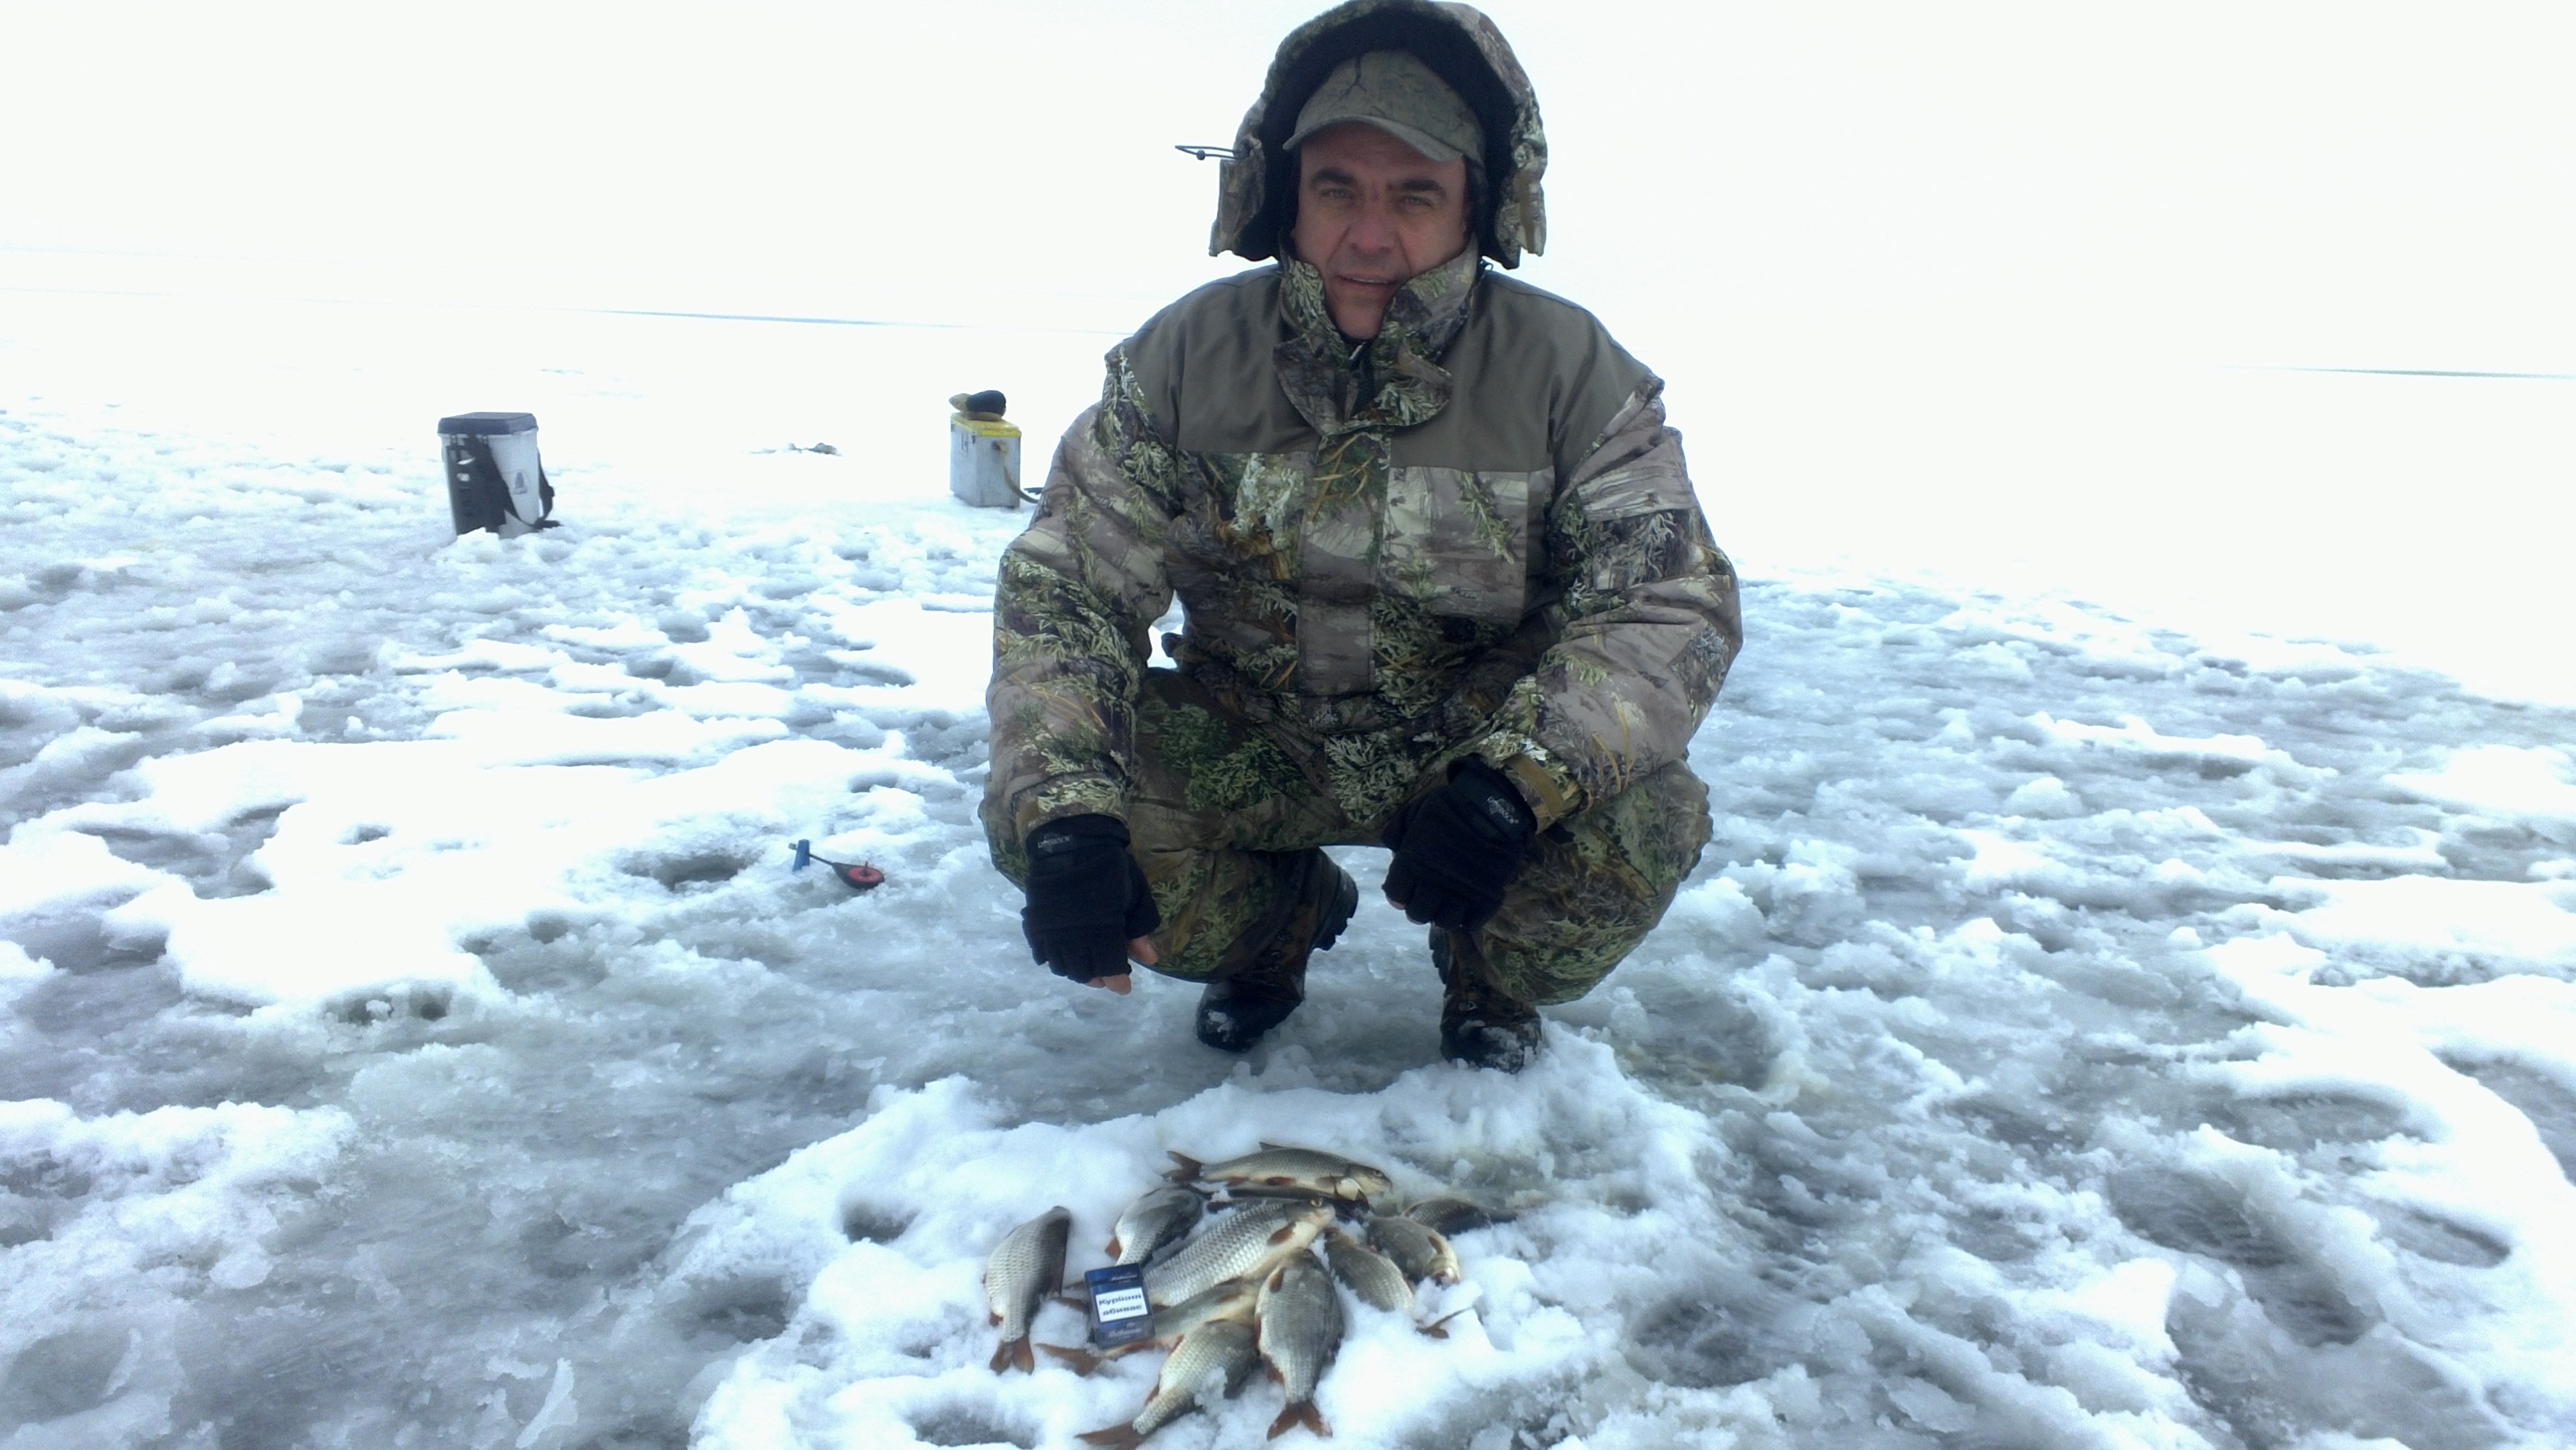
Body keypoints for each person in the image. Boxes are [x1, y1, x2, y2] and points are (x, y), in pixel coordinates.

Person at [983, 0, 1740, 1072]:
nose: (1371, 236)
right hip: (1254, 737)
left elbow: (1667, 607)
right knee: (1051, 818)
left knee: (1640, 824)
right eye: (1336, 189)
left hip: (1477, 751)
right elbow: (1069, 592)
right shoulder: (1181, 359)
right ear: (1283, 198)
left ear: (1479, 207)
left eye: (1415, 195)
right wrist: (1065, 817)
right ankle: (1278, 923)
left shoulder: (1573, 373)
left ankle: (1487, 970)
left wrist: (1514, 787)